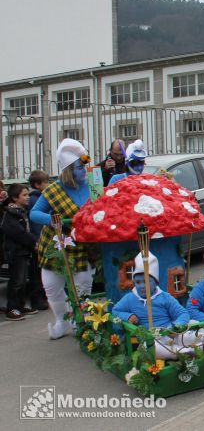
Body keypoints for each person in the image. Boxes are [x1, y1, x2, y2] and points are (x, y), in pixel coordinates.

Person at [30, 139, 94, 339]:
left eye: (85, 163)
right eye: (79, 166)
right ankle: (62, 320)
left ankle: (81, 321)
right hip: (56, 245)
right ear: (67, 170)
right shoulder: (53, 190)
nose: (84, 169)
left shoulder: (93, 185)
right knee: (51, 286)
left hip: (83, 246)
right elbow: (34, 213)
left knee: (83, 286)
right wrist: (54, 221)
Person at [112, 252, 194, 359]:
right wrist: (128, 316)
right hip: (151, 339)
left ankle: (192, 346)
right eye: (138, 282)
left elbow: (183, 313)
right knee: (149, 348)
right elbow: (115, 310)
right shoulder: (130, 298)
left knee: (189, 334)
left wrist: (175, 327)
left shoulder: (164, 297)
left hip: (170, 333)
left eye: (146, 281)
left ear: (155, 282)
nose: (141, 286)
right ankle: (184, 352)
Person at [2, 184, 39, 320]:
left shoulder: (22, 211)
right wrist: (33, 242)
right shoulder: (11, 214)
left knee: (23, 280)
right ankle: (11, 308)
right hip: (16, 252)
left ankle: (20, 305)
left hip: (24, 251)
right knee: (16, 281)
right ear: (14, 198)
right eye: (24, 195)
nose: (28, 197)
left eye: (28, 194)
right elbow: (19, 233)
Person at [27, 170, 50, 311]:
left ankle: (41, 298)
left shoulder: (41, 196)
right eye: (45, 182)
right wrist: (37, 240)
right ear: (37, 185)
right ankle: (38, 299)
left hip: (40, 239)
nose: (48, 185)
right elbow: (36, 223)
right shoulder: (36, 199)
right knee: (38, 272)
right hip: (39, 240)